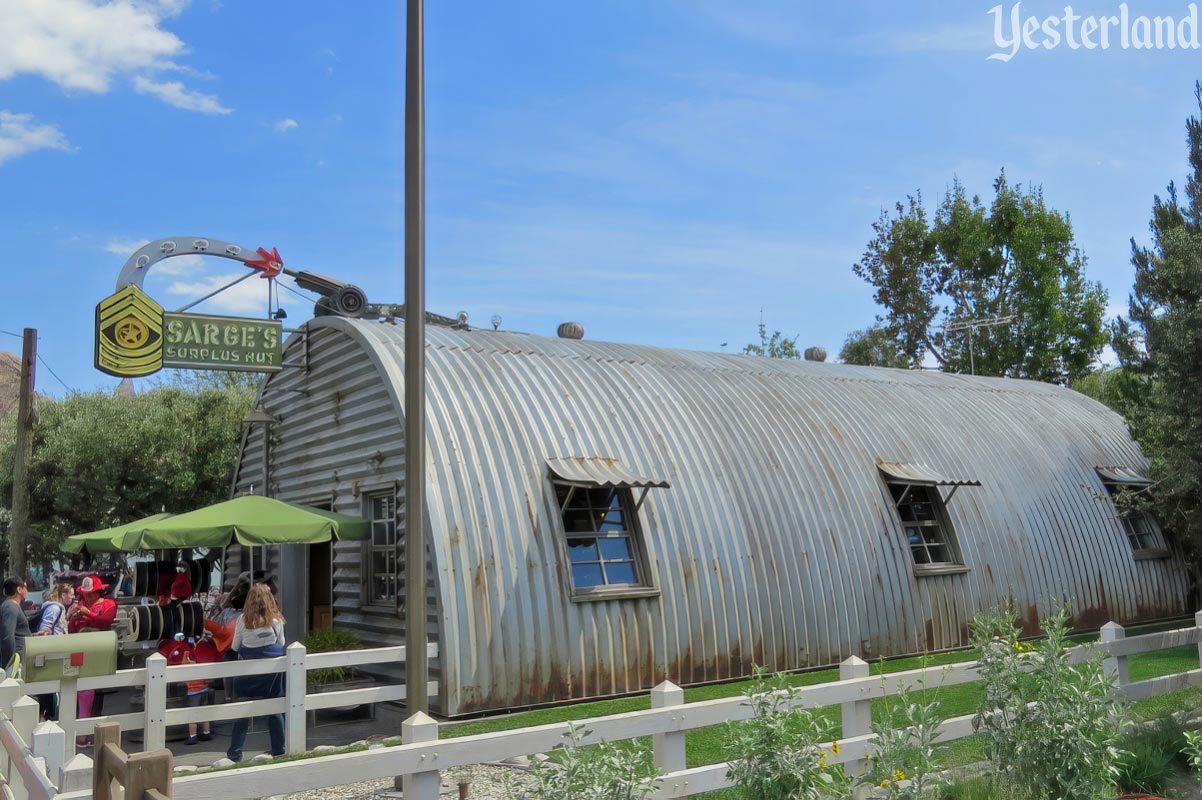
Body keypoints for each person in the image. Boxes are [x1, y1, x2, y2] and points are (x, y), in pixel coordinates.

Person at [226, 583, 286, 763]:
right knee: (275, 711)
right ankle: (278, 749)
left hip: (248, 673)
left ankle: (235, 753)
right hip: (271, 674)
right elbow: (281, 643)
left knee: (243, 711)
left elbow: (235, 646)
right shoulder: (277, 621)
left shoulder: (243, 620)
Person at [67, 575, 117, 745]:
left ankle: (93, 733)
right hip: (82, 647)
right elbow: (72, 631)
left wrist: (87, 615)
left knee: (97, 691)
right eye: (86, 594)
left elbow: (106, 621)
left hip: (100, 649)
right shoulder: (80, 606)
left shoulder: (108, 604)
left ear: (99, 591)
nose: (88, 598)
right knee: (83, 687)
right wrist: (73, 619)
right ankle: (83, 732)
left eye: (92, 594)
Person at [33, 583, 74, 721]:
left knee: (52, 688)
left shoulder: (57, 608)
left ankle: (48, 717)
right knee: (49, 689)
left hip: (54, 652)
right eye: (71, 594)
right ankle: (46, 718)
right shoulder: (55, 608)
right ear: (63, 595)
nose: (73, 597)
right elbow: (45, 629)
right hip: (51, 653)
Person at [0, 578, 29, 678]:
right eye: (25, 587)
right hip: (15, 663)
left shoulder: (11, 606)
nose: (27, 591)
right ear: (19, 589)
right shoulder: (10, 607)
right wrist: (13, 661)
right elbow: (7, 636)